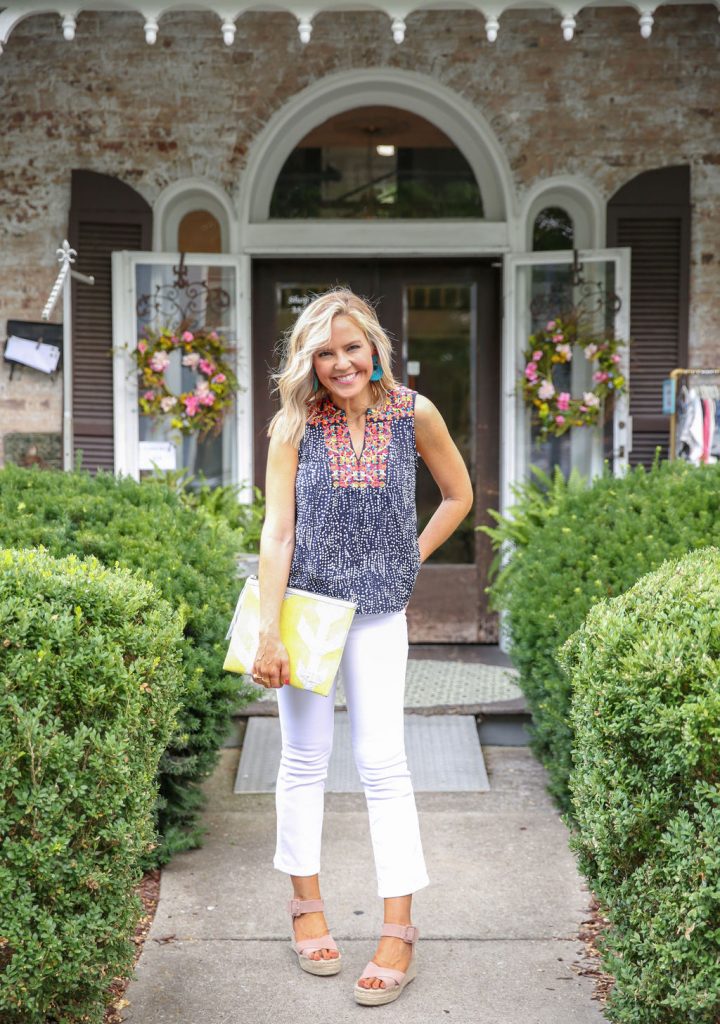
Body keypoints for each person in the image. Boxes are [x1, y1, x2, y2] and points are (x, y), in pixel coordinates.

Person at [251, 288, 473, 1006]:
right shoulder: (293, 425)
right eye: (325, 352)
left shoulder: (414, 413)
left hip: (379, 616)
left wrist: (410, 556)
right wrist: (268, 630)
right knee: (303, 760)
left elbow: (459, 496)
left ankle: (398, 928)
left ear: (375, 348)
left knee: (384, 764)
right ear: (309, 361)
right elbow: (278, 532)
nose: (341, 362)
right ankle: (306, 908)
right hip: (306, 614)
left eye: (352, 347)